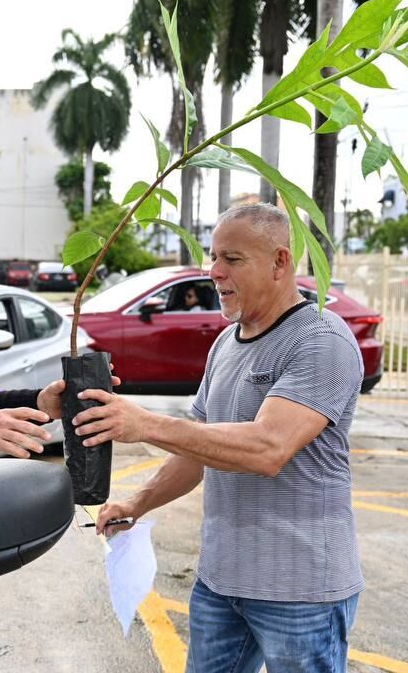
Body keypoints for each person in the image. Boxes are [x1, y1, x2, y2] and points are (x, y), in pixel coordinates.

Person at [80, 204, 364, 673]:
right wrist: (138, 503)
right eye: (214, 257)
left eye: (232, 259)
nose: (213, 272)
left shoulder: (320, 339)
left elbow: (268, 449)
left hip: (300, 592)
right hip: (220, 584)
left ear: (280, 262)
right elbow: (197, 452)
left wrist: (145, 423)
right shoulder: (227, 343)